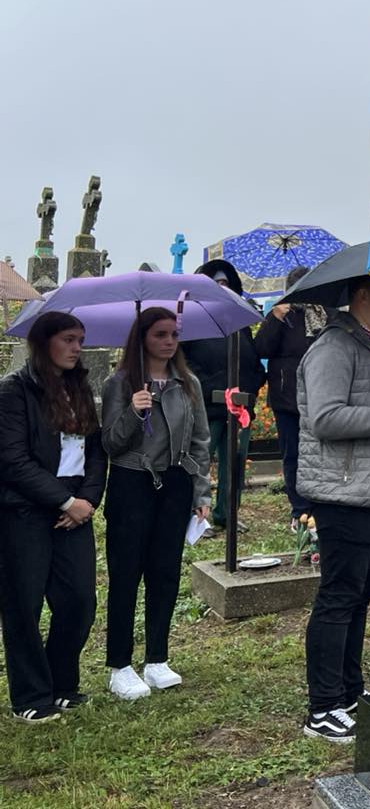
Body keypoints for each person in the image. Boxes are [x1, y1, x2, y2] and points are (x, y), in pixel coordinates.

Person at [296, 276, 370, 743]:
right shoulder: (334, 347)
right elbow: (326, 418)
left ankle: (348, 692)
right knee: (338, 599)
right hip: (343, 492)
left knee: (359, 596)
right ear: (362, 296)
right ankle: (322, 707)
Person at [0, 313, 108, 722]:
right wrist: (64, 501)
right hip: (25, 511)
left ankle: (62, 684)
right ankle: (30, 696)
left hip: (75, 507)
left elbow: (96, 452)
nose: (77, 347)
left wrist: (87, 501)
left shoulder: (79, 387)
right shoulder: (14, 390)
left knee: (79, 600)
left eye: (80, 339)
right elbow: (12, 459)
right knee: (23, 604)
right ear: (44, 342)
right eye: (68, 339)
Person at [100, 308, 211, 700]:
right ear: (142, 338)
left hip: (175, 483)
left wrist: (201, 493)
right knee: (126, 574)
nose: (169, 342)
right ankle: (119, 665)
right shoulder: (120, 383)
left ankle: (157, 659)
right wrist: (134, 411)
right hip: (132, 483)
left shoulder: (188, 383)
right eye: (160, 334)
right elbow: (110, 443)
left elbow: (200, 441)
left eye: (173, 335)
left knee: (165, 573)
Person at [182, 258, 265, 532]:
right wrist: (212, 387)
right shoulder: (193, 322)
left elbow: (253, 362)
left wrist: (249, 388)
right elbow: (184, 364)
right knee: (201, 461)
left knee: (235, 463)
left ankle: (227, 513)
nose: (222, 287)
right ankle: (196, 517)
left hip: (239, 409)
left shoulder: (239, 323)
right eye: (216, 283)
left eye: (226, 283)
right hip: (207, 406)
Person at [254, 265, 328, 528]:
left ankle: (320, 505)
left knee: (319, 453)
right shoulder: (281, 313)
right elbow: (262, 348)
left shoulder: (323, 313)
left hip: (320, 394)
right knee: (293, 453)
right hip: (287, 396)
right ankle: (300, 509)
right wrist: (274, 318)